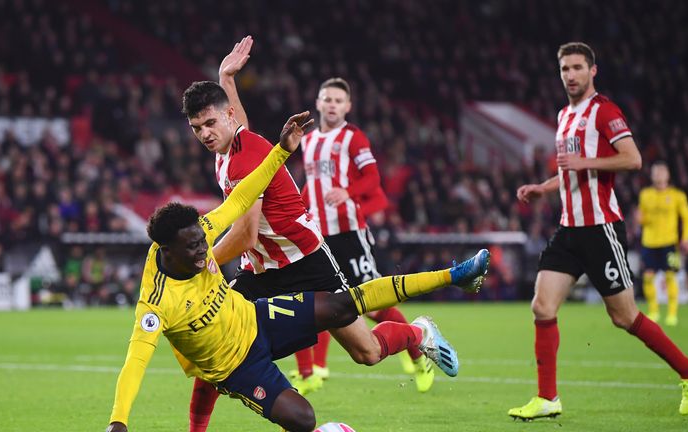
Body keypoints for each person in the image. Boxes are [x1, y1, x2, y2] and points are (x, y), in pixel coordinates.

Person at [104, 110, 491, 432]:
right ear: (168, 253)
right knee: (303, 419)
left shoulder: (195, 230)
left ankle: (452, 278)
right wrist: (118, 422)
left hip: (261, 312)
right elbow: (134, 363)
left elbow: (240, 198)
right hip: (239, 361)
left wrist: (281, 152)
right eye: (194, 249)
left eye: (202, 241)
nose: (204, 251)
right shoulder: (154, 304)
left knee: (350, 319)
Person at [180, 36, 477, 432]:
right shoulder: (233, 144)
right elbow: (239, 131)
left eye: (210, 123)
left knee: (367, 352)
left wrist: (200, 261)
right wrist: (225, 78)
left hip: (307, 262)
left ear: (228, 116)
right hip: (263, 273)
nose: (204, 134)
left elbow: (246, 236)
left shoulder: (244, 159)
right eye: (196, 127)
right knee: (216, 341)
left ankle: (418, 332)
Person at [509, 42, 688, 421]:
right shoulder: (564, 115)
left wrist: (586, 161)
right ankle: (547, 397)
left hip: (601, 229)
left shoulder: (605, 111)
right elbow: (570, 171)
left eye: (577, 67)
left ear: (592, 71)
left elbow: (633, 159)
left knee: (624, 316)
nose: (570, 75)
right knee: (542, 306)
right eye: (565, 68)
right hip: (569, 229)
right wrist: (543, 188)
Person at [299, 77, 434, 392]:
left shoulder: (353, 138)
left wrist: (347, 192)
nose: (331, 105)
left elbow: (373, 179)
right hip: (319, 235)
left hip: (348, 233)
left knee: (373, 305)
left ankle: (417, 351)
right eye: (326, 99)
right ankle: (315, 370)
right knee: (321, 300)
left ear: (347, 106)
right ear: (318, 103)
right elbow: (311, 186)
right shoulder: (307, 141)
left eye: (338, 100)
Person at [638, 161, 688, 326]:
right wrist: (641, 219)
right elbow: (643, 218)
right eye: (656, 172)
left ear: (668, 175)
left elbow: (687, 218)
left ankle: (672, 313)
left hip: (670, 243)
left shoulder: (677, 195)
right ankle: (654, 311)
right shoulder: (645, 194)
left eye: (662, 172)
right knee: (648, 278)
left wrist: (686, 238)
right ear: (652, 175)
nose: (659, 175)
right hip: (649, 242)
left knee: (670, 276)